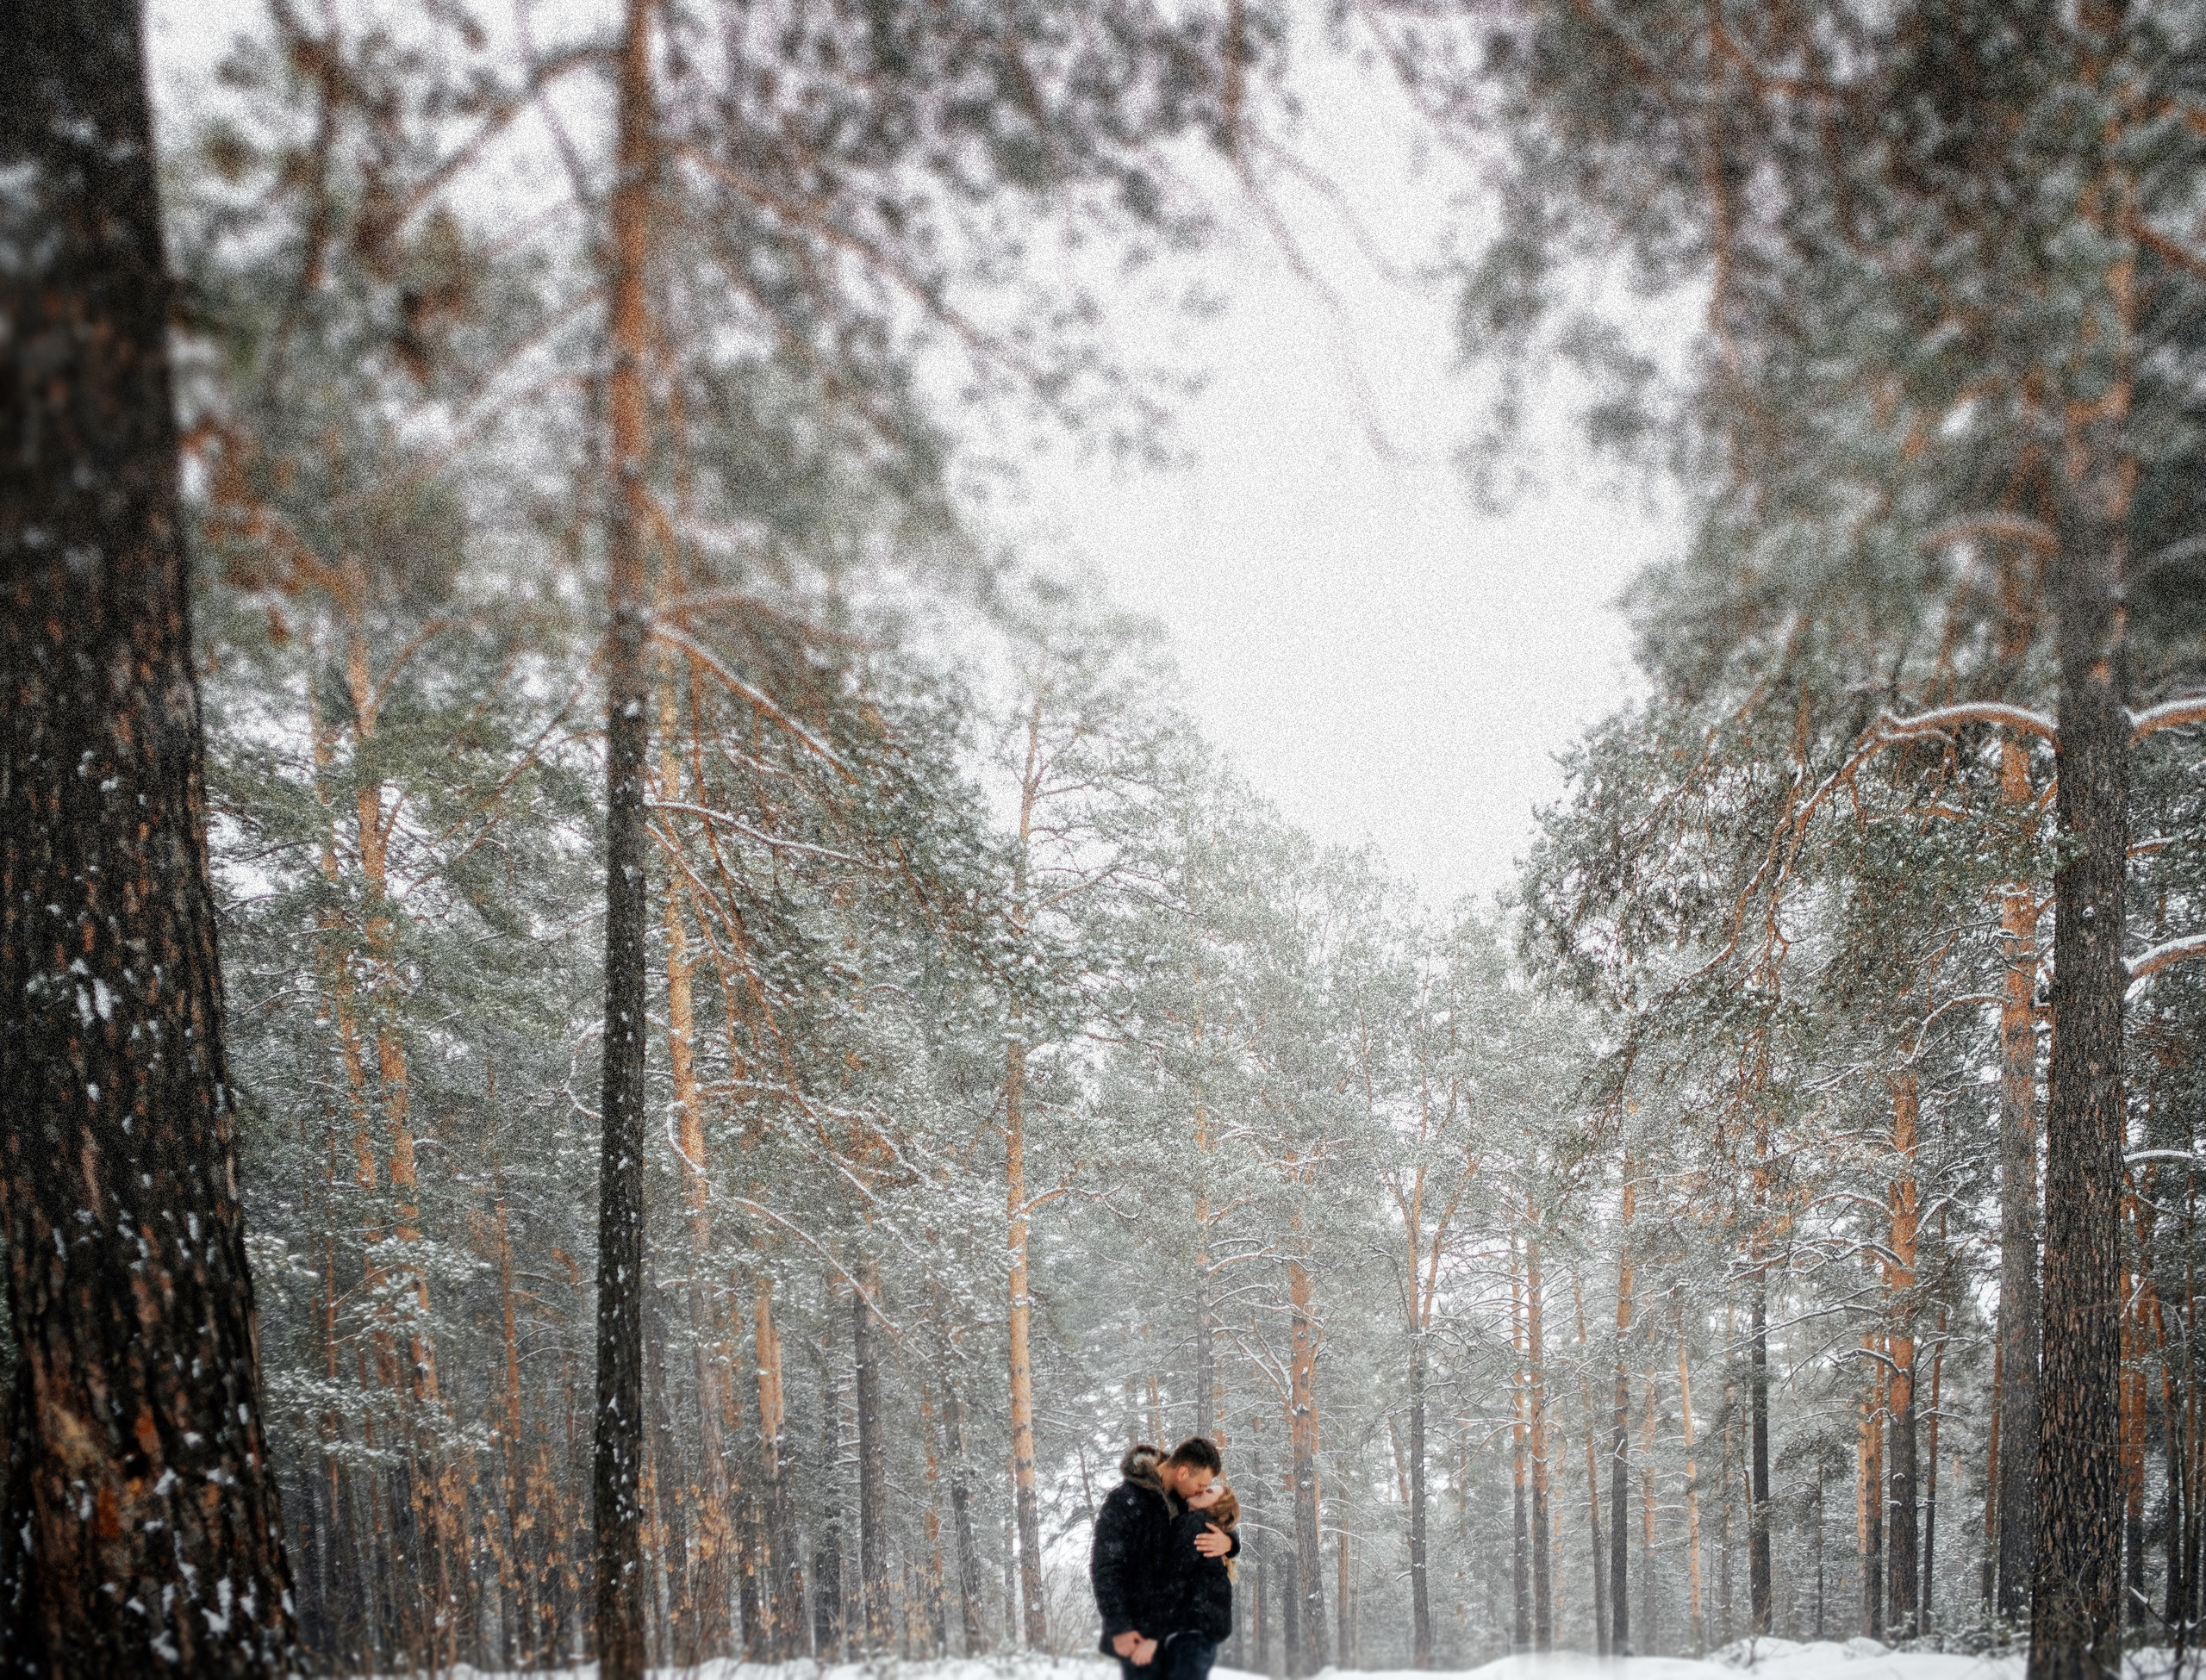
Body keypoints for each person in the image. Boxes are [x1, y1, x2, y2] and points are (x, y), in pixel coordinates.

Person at [1090, 1437, 1236, 1677]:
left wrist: (1229, 1542)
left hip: (1172, 1628)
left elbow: (1215, 1518)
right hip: (1137, 1629)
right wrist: (1120, 1627)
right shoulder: (1125, 1502)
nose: (1201, 1491)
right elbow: (1106, 1568)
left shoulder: (1183, 1500)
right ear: (1183, 1472)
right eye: (1201, 1485)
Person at [1139, 1480, 1238, 1680]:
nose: (1202, 1488)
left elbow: (1174, 1580)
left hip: (1188, 1636)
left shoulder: (1193, 1524)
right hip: (1195, 1637)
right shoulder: (1193, 1523)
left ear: (1216, 1506)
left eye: (1210, 1491)